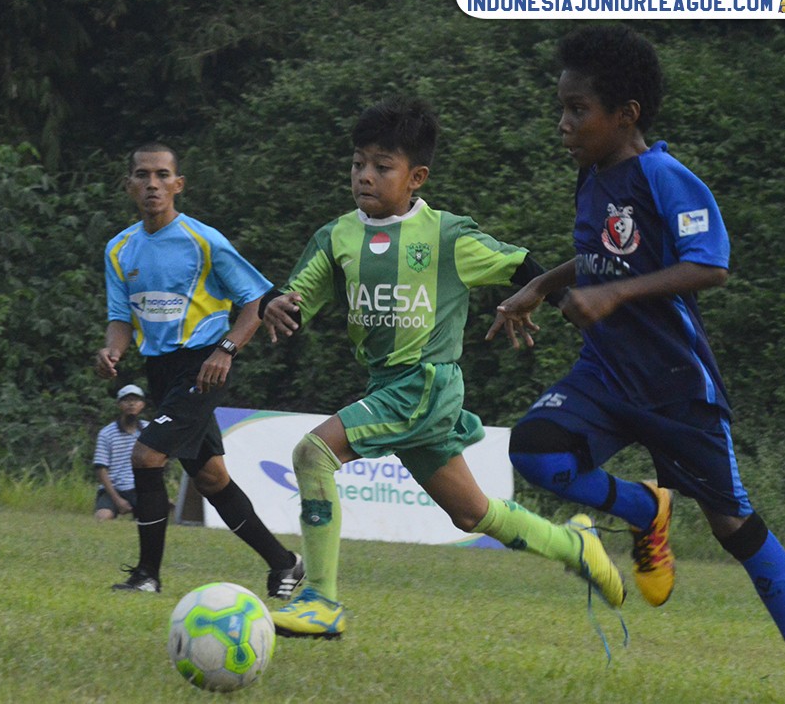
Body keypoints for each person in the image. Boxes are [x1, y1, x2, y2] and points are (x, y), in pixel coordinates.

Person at [485, 25, 785, 702]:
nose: (562, 123)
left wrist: (613, 293)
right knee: (534, 452)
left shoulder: (664, 176)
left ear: (626, 115)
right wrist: (541, 285)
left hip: (677, 387)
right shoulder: (593, 176)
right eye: (561, 107)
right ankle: (646, 510)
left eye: (576, 109)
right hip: (608, 376)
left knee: (734, 525)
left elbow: (711, 266)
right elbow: (604, 256)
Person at [260, 96, 626, 640]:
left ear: (417, 177)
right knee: (473, 514)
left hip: (424, 385)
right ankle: (575, 545)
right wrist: (276, 304)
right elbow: (298, 293)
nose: (365, 175)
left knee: (312, 454)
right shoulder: (336, 236)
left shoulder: (447, 236)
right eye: (358, 163)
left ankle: (321, 599)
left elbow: (521, 264)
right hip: (389, 387)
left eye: (382, 166)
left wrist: (576, 313)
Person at [95, 142, 305, 599]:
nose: (153, 184)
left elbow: (256, 298)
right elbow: (120, 318)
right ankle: (285, 563)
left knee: (145, 457)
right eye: (143, 175)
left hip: (203, 366)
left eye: (162, 175)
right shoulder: (119, 249)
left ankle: (147, 575)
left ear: (178, 185)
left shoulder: (203, 240)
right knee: (211, 479)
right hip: (159, 371)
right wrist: (112, 351)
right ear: (129, 184)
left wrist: (226, 349)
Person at [93, 384, 148, 521]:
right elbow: (101, 469)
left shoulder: (149, 430)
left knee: (152, 516)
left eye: (136, 400)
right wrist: (117, 500)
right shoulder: (107, 433)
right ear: (119, 404)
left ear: (142, 404)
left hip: (139, 487)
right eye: (126, 400)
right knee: (102, 517)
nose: (131, 404)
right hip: (113, 488)